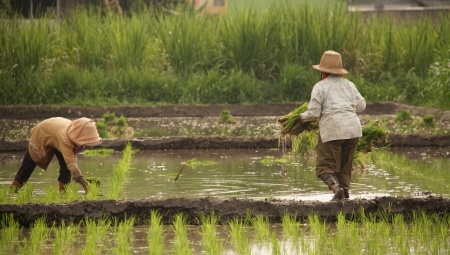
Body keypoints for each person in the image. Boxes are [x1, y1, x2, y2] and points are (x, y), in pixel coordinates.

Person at [297, 50, 366, 201]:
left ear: (322, 71)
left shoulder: (320, 86)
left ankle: (336, 189)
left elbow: (314, 112)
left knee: (324, 167)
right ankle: (345, 194)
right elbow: (361, 106)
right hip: (353, 129)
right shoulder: (349, 84)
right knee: (345, 166)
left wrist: (301, 118)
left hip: (332, 129)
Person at [10, 117, 102, 194]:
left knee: (66, 169)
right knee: (27, 168)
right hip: (41, 135)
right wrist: (85, 184)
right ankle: (11, 194)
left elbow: (71, 162)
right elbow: (71, 163)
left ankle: (62, 195)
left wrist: (79, 175)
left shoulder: (76, 135)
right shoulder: (66, 138)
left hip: (56, 134)